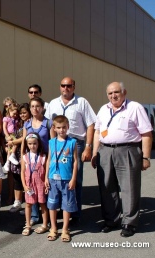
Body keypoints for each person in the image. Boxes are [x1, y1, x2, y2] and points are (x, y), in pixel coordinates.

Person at [91, 82, 152, 237]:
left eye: (116, 92)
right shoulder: (103, 110)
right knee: (106, 187)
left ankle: (129, 223)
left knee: (129, 187)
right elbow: (98, 132)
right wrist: (94, 153)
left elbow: (146, 134)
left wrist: (145, 157)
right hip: (105, 151)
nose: (113, 96)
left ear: (124, 92)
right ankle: (111, 220)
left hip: (128, 150)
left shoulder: (135, 107)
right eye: (110, 93)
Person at [45, 77, 96, 225]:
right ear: (60, 87)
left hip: (75, 144)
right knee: (57, 179)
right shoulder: (53, 103)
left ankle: (75, 213)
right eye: (63, 85)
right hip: (57, 145)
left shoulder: (82, 102)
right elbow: (50, 125)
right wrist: (52, 144)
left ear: (74, 87)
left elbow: (91, 124)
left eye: (69, 86)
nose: (65, 88)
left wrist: (88, 146)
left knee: (75, 180)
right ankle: (61, 210)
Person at [45, 115, 78, 242]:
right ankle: (53, 228)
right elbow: (49, 159)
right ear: (54, 128)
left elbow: (75, 161)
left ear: (68, 127)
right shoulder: (51, 142)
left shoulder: (72, 142)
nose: (62, 130)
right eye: (58, 127)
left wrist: (74, 178)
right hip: (53, 178)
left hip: (67, 179)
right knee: (52, 205)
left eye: (64, 127)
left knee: (67, 205)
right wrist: (46, 177)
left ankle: (65, 229)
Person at [20, 133, 49, 236]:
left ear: (38, 143)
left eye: (34, 143)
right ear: (27, 144)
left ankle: (45, 224)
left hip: (40, 184)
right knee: (28, 204)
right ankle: (28, 225)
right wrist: (24, 185)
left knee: (42, 203)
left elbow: (46, 172)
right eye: (30, 144)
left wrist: (46, 183)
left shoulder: (43, 157)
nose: (32, 146)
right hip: (29, 185)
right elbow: (22, 172)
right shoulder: (25, 157)